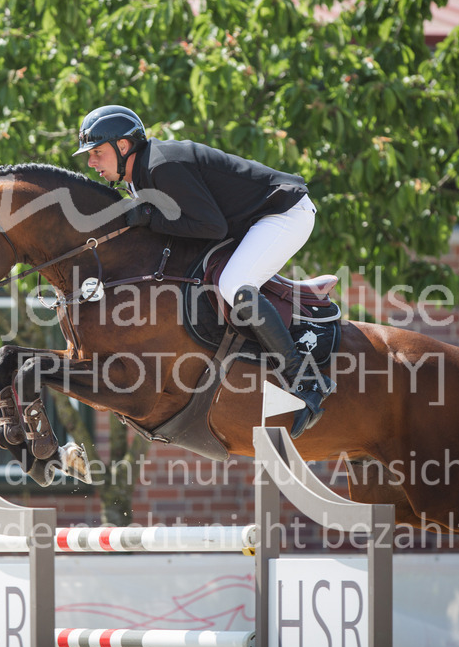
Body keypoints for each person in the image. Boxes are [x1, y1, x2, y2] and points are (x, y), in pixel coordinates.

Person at [74, 104, 331, 436]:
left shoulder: (162, 166)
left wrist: (150, 217)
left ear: (123, 146)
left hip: (285, 214)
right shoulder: (141, 176)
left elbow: (211, 226)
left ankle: (307, 379)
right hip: (250, 222)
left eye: (97, 152)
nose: (91, 162)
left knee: (234, 283)